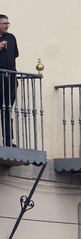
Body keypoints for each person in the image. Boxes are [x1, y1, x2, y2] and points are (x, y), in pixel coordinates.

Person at [0, 15, 17, 147]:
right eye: (5, 23)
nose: (7, 25)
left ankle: (8, 141)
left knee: (7, 110)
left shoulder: (11, 38)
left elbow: (14, 55)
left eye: (8, 23)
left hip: (10, 79)